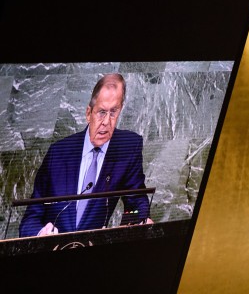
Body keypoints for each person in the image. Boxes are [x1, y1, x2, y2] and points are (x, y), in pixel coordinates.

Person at [19, 73, 151, 238]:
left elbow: (136, 201)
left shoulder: (128, 147)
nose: (106, 122)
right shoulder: (58, 153)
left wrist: (139, 221)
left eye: (113, 112)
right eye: (101, 112)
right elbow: (31, 217)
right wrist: (40, 233)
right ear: (88, 113)